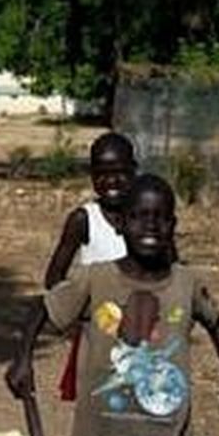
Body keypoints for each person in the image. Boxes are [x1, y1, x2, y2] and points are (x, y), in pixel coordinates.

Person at [6, 174, 219, 436]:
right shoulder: (97, 278)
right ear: (120, 223)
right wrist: (23, 360)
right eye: (139, 216)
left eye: (160, 217)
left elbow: (213, 320)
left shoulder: (186, 283)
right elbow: (43, 308)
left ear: (172, 225)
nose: (150, 225)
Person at [43, 132, 136, 401]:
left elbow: (170, 268)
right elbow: (53, 279)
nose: (112, 181)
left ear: (134, 170)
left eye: (120, 172)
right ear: (92, 175)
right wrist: (76, 313)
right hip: (98, 337)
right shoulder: (83, 220)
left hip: (144, 333)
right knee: (99, 407)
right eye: (102, 174)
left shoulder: (146, 217)